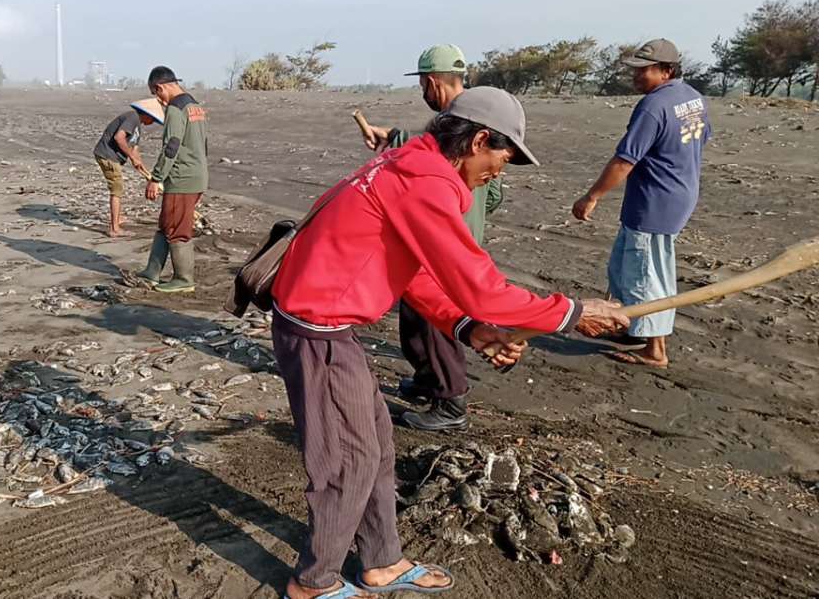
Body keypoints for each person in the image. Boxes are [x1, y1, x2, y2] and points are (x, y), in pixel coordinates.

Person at [271, 87, 630, 598]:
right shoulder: (422, 184)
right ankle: (313, 582)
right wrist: (571, 312)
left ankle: (381, 562)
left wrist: (469, 328)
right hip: (317, 332)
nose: (501, 170)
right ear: (480, 138)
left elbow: (414, 274)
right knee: (347, 461)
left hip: (329, 329)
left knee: (376, 450)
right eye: (504, 155)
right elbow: (480, 285)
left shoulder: (409, 167)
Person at [363, 44, 506, 431]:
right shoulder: (482, 120)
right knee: (415, 317)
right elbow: (493, 195)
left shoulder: (450, 128)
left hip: (440, 241)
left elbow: (421, 164)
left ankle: (450, 401)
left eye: (422, 86)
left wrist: (393, 142)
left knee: (436, 319)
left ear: (430, 82)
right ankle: (429, 380)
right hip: (453, 234)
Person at [573, 38, 710, 368]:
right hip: (677, 192)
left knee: (647, 273)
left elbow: (624, 160)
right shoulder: (693, 98)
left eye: (643, 70)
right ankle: (632, 328)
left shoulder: (653, 106)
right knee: (623, 266)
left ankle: (655, 349)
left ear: (666, 70)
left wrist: (591, 197)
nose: (636, 77)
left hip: (656, 203)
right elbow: (703, 138)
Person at [135, 66, 209, 293]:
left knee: (177, 229)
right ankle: (152, 271)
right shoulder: (196, 106)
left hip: (182, 179)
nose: (159, 100)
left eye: (157, 94)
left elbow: (171, 146)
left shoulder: (176, 109)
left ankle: (184, 279)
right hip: (197, 174)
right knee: (166, 224)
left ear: (161, 87)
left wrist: (155, 178)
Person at [93, 99, 164, 237]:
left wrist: (139, 162)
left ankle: (117, 218)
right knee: (116, 190)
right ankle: (114, 228)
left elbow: (134, 147)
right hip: (107, 156)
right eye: (153, 120)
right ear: (147, 115)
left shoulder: (137, 125)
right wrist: (131, 156)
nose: (152, 123)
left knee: (118, 189)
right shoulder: (132, 117)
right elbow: (119, 138)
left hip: (113, 157)